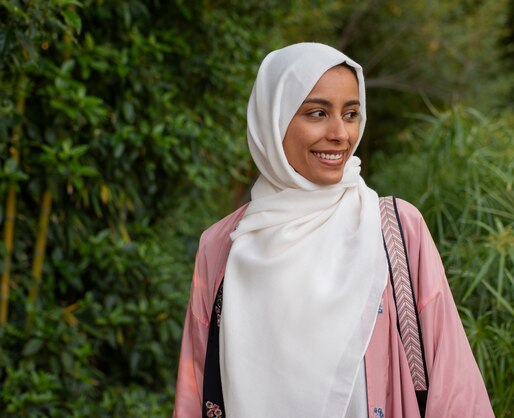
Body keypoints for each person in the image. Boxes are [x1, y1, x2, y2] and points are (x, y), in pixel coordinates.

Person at [173, 43, 493, 418]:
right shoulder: (222, 246)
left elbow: (454, 385)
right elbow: (195, 388)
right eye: (318, 113)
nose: (341, 133)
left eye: (351, 113)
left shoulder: (395, 229)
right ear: (272, 120)